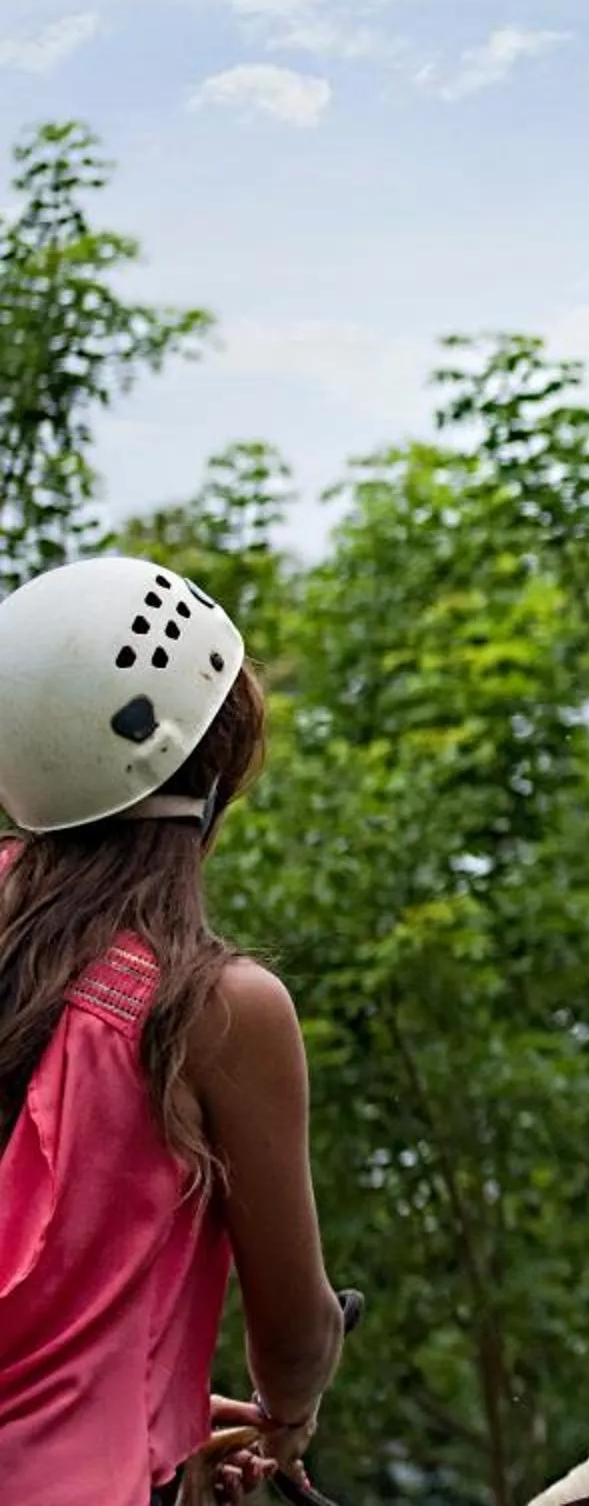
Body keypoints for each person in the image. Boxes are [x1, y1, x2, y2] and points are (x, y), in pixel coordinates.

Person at [0, 555, 346, 1506]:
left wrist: (165, 1410)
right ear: (220, 756)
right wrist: (288, 1411)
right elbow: (296, 1333)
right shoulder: (215, 1008)